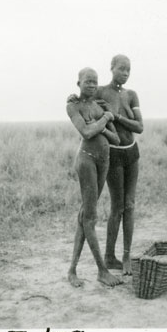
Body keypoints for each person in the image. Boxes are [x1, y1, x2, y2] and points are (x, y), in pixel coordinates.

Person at [66, 67, 123, 288]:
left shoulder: (98, 106)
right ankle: (101, 270)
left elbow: (116, 139)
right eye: (87, 81)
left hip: (104, 161)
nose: (92, 85)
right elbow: (86, 133)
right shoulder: (73, 106)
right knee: (90, 217)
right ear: (78, 83)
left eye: (95, 82)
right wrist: (105, 120)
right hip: (87, 160)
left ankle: (72, 270)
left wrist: (102, 123)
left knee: (85, 216)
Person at [95, 55, 143, 275]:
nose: (125, 73)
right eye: (121, 68)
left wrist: (118, 117)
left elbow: (139, 127)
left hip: (131, 152)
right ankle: (109, 256)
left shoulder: (131, 94)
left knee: (130, 205)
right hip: (112, 154)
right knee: (117, 206)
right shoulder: (100, 92)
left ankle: (126, 256)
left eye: (129, 70)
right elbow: (86, 108)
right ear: (111, 67)